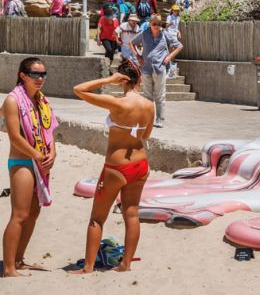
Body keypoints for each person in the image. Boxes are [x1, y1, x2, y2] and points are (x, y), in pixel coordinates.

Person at [71, 60, 154, 274]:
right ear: (140, 79)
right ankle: (125, 264)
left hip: (117, 167)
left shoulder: (117, 104)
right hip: (140, 164)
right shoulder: (149, 105)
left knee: (97, 218)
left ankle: (88, 267)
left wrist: (108, 80)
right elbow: (145, 135)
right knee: (132, 214)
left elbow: (79, 90)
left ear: (122, 80)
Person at [2, 58, 58, 277]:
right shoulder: (13, 101)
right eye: (36, 74)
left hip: (40, 161)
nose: (41, 78)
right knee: (20, 214)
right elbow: (15, 137)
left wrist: (52, 153)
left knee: (34, 212)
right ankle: (8, 268)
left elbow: (50, 129)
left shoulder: (42, 100)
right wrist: (36, 155)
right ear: (23, 75)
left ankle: (18, 259)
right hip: (23, 161)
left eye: (43, 74)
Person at [130, 15, 183, 128]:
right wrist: (138, 57)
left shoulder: (165, 35)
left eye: (158, 24)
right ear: (150, 24)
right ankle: (148, 119)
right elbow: (131, 43)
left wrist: (169, 57)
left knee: (160, 95)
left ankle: (159, 119)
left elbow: (179, 46)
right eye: (154, 24)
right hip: (146, 68)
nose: (156, 26)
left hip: (159, 68)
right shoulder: (144, 34)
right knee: (147, 95)